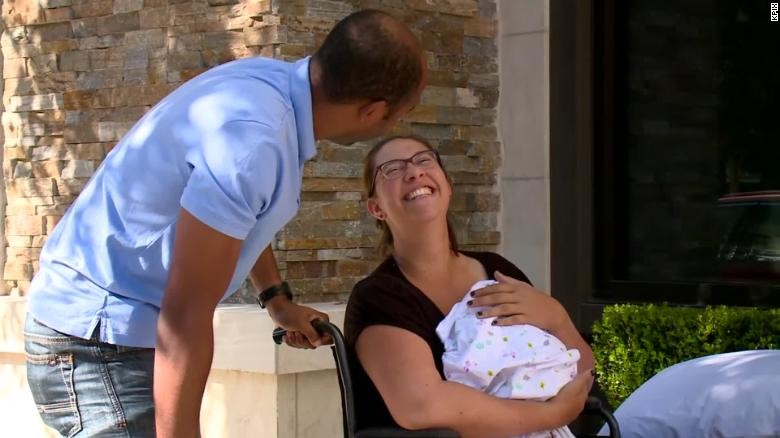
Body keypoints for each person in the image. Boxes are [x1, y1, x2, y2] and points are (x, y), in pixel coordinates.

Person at [23, 9, 426, 438]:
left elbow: (231, 221)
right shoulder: (254, 141)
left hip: (108, 332)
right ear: (373, 110)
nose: (396, 124)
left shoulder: (270, 87)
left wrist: (277, 300)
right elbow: (184, 316)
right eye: (400, 114)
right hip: (98, 342)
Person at [343, 135, 596, 437]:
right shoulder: (379, 297)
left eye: (424, 160)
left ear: (448, 187)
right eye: (392, 170)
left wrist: (557, 317)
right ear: (376, 208)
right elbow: (422, 406)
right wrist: (551, 414)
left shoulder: (497, 270)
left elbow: (580, 373)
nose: (414, 172)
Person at [437, 279, 580, 438]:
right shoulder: (406, 303)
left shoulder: (502, 274)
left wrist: (559, 319)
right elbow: (421, 408)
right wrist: (556, 413)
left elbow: (583, 376)